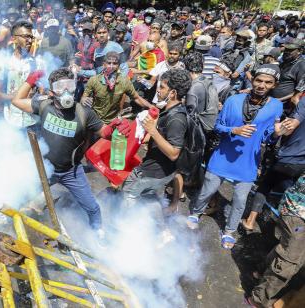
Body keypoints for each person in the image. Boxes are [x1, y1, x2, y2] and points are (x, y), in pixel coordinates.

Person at [12, 67, 129, 238]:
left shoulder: (84, 113)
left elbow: (104, 132)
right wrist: (31, 80)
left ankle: (98, 232)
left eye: (70, 85)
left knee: (93, 207)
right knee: (22, 193)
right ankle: (10, 215)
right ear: (51, 92)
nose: (66, 91)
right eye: (60, 87)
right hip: (44, 168)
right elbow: (17, 100)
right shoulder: (44, 105)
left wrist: (116, 128)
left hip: (71, 172)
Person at [187, 65, 286, 250]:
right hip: (223, 155)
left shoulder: (276, 106)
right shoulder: (234, 100)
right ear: (252, 80)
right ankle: (196, 211)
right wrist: (234, 130)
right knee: (208, 189)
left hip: (248, 162)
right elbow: (217, 126)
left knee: (240, 200)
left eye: (268, 82)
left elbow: (267, 138)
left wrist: (276, 134)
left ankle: (230, 230)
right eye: (259, 80)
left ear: (274, 85)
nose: (262, 85)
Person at [119, 69, 191, 216]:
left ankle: (123, 227)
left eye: (162, 87)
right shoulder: (170, 110)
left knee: (127, 195)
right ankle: (157, 228)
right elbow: (156, 138)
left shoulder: (177, 119)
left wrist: (152, 130)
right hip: (160, 172)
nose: (158, 90)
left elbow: (173, 154)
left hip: (152, 172)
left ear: (173, 93)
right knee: (148, 201)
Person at [243, 96, 305, 230]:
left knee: (266, 184)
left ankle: (250, 220)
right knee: (292, 193)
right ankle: (284, 227)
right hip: (300, 165)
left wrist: (278, 132)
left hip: (288, 157)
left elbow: (289, 127)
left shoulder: (303, 104)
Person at [246, 173, 305, 308]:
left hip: (296, 211)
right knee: (290, 261)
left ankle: (261, 272)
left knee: (289, 250)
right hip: (299, 215)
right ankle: (258, 299)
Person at [81, 51, 152, 124]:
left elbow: (137, 98)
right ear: (104, 65)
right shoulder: (94, 80)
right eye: (109, 63)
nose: (111, 66)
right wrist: (84, 100)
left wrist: (151, 107)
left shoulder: (124, 81)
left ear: (118, 66)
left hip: (113, 122)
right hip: (95, 120)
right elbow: (84, 97)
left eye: (114, 64)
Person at [0, 20, 40, 128]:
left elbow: (43, 90)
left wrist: (38, 93)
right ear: (14, 38)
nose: (29, 40)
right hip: (12, 119)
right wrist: (15, 96)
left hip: (32, 120)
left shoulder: (37, 63)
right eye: (25, 36)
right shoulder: (4, 62)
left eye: (31, 37)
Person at [270, 40, 304, 105]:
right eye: (286, 49)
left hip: (283, 103)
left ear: (300, 51)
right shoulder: (286, 61)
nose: (286, 52)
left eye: (290, 50)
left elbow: (299, 90)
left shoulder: (301, 65)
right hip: (271, 99)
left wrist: (279, 100)